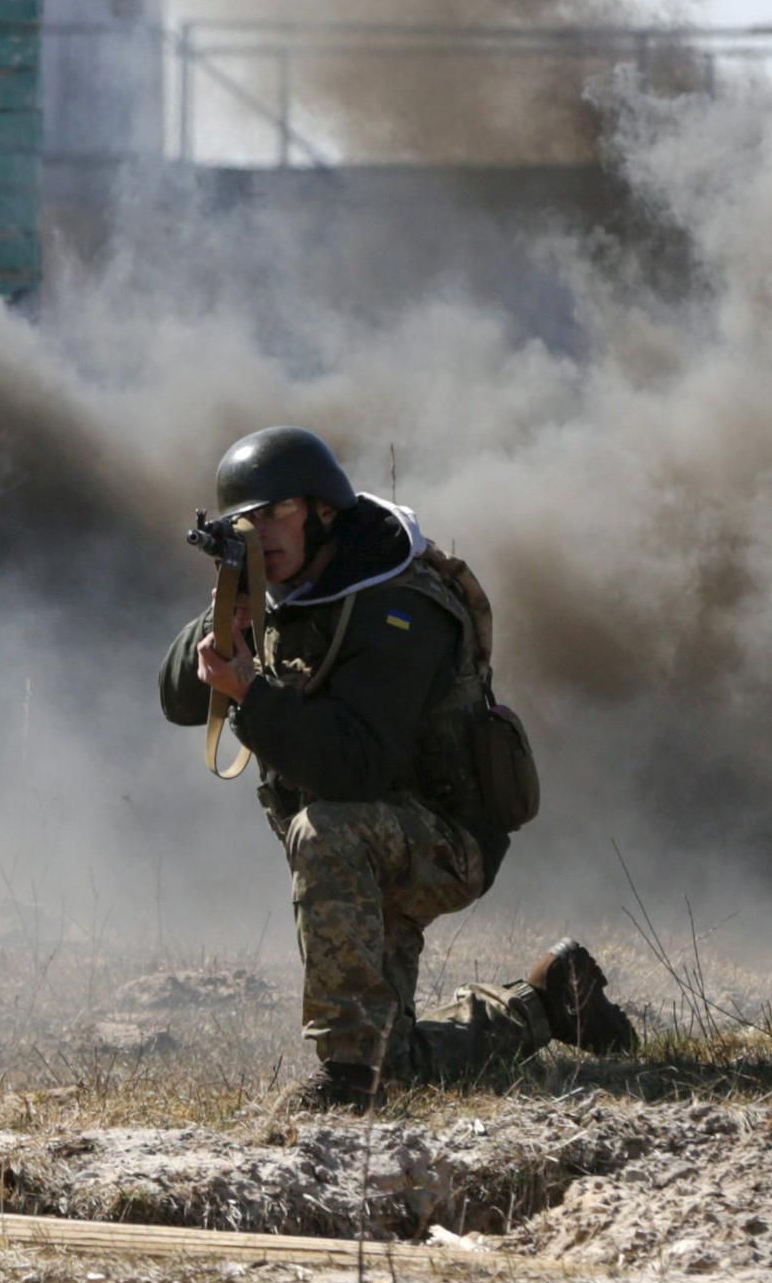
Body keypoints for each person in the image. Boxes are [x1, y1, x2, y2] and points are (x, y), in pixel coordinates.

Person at [158, 425, 638, 1111]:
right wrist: (227, 606)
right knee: (403, 1059)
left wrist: (253, 695)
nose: (259, 532)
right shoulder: (278, 588)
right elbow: (175, 698)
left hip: (442, 837)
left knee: (324, 832)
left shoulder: (396, 605)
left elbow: (357, 764)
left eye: (275, 513)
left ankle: (347, 1081)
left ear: (323, 509)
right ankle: (551, 1002)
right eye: (245, 521)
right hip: (368, 839)